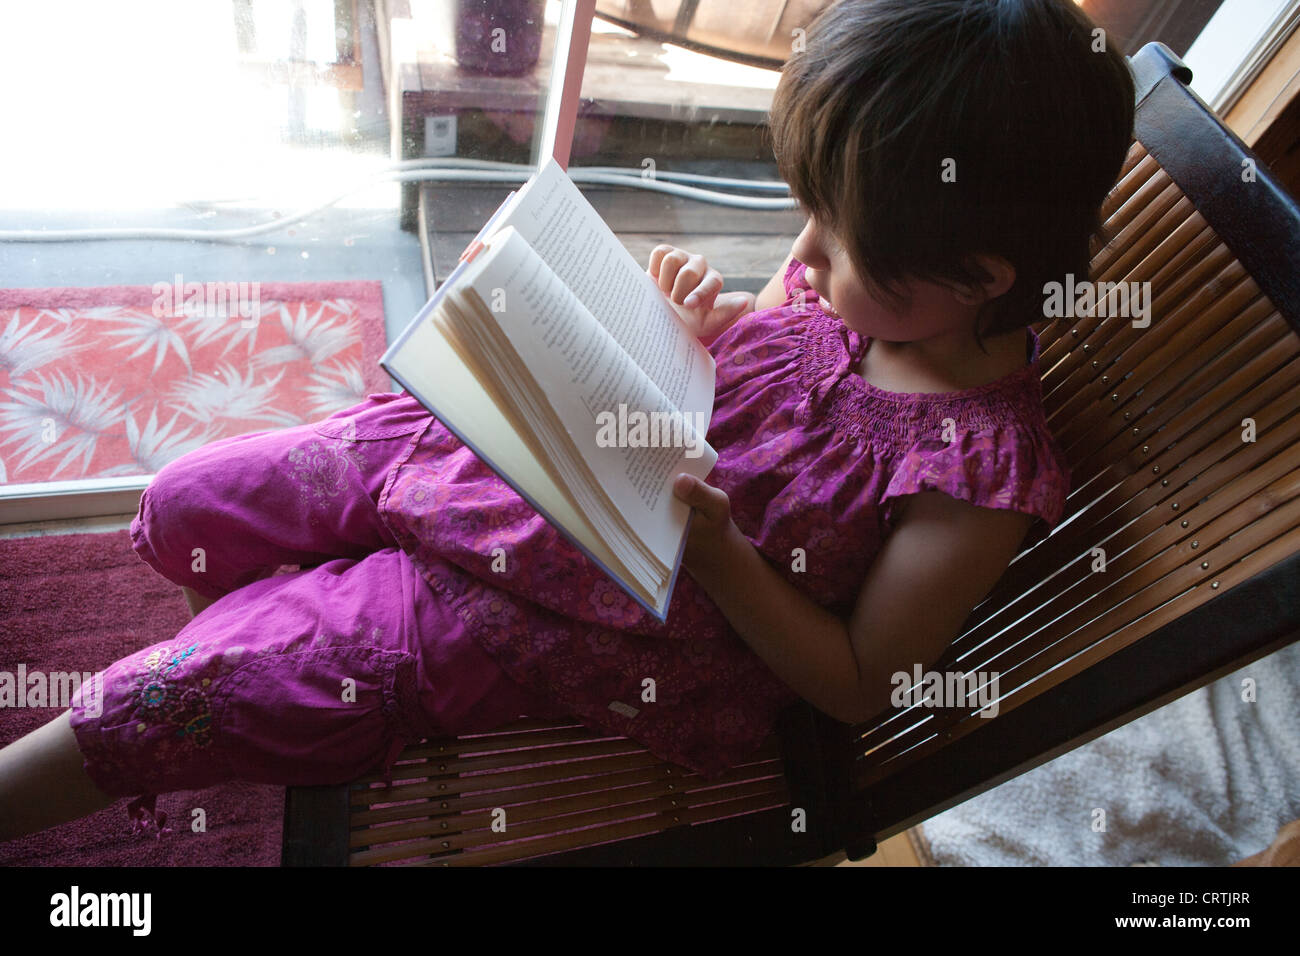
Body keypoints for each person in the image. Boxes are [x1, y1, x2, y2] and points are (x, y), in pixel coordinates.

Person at [0, 0, 1134, 840]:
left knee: (163, 702)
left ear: (981, 275)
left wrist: (723, 554)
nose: (805, 254)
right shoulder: (888, 278)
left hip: (571, 608)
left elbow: (850, 677)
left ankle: (232, 693)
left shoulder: (976, 476)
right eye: (810, 216)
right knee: (194, 501)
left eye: (838, 246)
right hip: (521, 453)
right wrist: (693, 319)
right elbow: (765, 353)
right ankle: (260, 659)